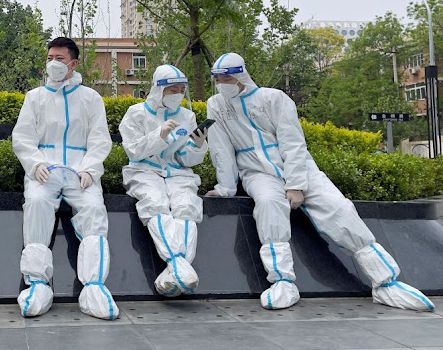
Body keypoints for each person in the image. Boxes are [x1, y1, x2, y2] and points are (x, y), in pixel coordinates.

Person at [205, 52, 435, 311]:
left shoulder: (274, 98)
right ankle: (282, 281)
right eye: (217, 78)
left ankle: (386, 281)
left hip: (301, 169)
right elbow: (220, 147)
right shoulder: (216, 105)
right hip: (257, 173)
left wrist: (295, 184)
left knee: (339, 208)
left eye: (226, 77)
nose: (221, 83)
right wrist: (225, 187)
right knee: (269, 206)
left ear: (240, 76)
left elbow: (292, 142)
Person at [12, 37, 118, 320]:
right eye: (49, 58)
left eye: (59, 59)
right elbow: (23, 138)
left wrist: (91, 169)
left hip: (79, 169)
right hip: (45, 169)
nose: (53, 64)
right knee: (35, 203)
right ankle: (36, 285)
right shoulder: (35, 97)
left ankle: (94, 287)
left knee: (94, 209)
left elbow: (99, 139)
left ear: (73, 63)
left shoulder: (90, 98)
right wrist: (35, 165)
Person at [119, 65, 208, 297]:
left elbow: (186, 158)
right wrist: (159, 135)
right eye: (172, 89)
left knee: (186, 206)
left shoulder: (187, 116)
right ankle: (180, 265)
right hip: (144, 171)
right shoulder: (136, 113)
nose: (177, 93)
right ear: (159, 90)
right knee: (155, 203)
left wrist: (198, 146)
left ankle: (175, 271)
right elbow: (134, 150)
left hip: (178, 172)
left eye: (181, 89)